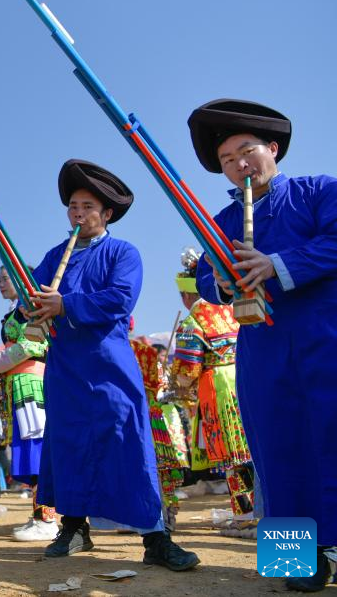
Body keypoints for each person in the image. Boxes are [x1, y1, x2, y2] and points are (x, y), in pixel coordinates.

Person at [189, 99, 336, 590]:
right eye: (227, 159)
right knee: (276, 447)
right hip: (263, 350)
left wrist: (276, 264)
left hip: (327, 338)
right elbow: (205, 281)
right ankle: (297, 561)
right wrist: (224, 284)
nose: (238, 164)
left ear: (272, 148)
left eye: (246, 151)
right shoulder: (219, 223)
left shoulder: (320, 191)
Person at [25, 159, 198, 571]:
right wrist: (29, 303)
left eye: (87, 206)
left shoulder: (123, 252)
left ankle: (155, 536)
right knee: (68, 442)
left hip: (109, 363)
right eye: (72, 206)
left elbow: (120, 299)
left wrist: (65, 303)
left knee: (126, 439)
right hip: (65, 366)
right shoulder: (53, 256)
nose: (78, 213)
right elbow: (30, 299)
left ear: (106, 213)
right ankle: (73, 526)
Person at [172, 248, 254, 524]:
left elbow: (187, 370)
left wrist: (178, 386)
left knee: (233, 453)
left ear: (186, 294)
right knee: (253, 447)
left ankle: (246, 510)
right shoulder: (232, 310)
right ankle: (263, 506)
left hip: (217, 386)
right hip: (245, 376)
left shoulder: (193, 321)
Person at [0, 266, 56, 542]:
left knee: (35, 446)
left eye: (6, 278)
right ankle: (39, 515)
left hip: (30, 384)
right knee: (28, 446)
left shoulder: (32, 307)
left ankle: (46, 519)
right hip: (18, 384)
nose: (1, 283)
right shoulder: (18, 309)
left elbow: (31, 345)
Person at [131, 333, 187, 532]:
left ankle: (153, 516)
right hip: (155, 419)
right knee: (161, 470)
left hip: (140, 420)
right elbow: (163, 393)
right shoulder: (151, 360)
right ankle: (167, 514)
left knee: (143, 468)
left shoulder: (128, 355)